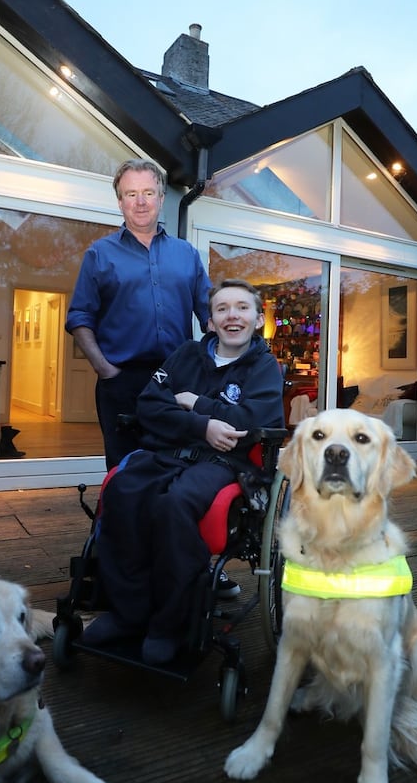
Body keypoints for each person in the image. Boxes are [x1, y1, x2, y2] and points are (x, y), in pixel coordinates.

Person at [82, 279, 285, 666]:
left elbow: (251, 420)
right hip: (167, 452)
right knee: (123, 492)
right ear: (210, 322)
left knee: (176, 506)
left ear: (258, 319)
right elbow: (149, 405)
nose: (232, 316)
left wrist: (195, 402)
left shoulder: (264, 368)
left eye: (242, 308)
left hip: (225, 464)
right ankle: (127, 614)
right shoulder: (185, 355)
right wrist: (202, 425)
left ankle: (168, 625)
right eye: (222, 309)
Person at [66, 158, 211, 470]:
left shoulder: (186, 255)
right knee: (124, 469)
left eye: (148, 192)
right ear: (120, 202)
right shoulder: (99, 254)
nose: (141, 202)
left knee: (175, 466)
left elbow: (209, 315)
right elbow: (79, 317)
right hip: (121, 381)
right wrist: (104, 369)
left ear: (161, 198)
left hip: (176, 382)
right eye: (131, 194)